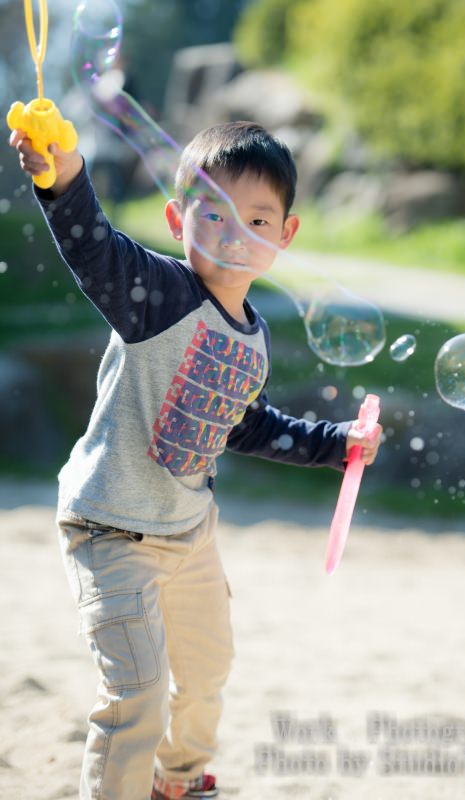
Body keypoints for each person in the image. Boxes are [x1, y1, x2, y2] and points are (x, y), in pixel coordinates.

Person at [9, 120, 382, 800]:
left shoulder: (252, 336)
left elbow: (244, 423)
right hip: (112, 530)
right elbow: (95, 249)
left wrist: (336, 444)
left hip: (189, 534)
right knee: (137, 694)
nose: (236, 234)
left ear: (285, 234)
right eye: (214, 214)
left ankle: (178, 780)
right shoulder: (158, 295)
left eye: (257, 220)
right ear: (178, 219)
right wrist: (64, 179)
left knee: (207, 674)